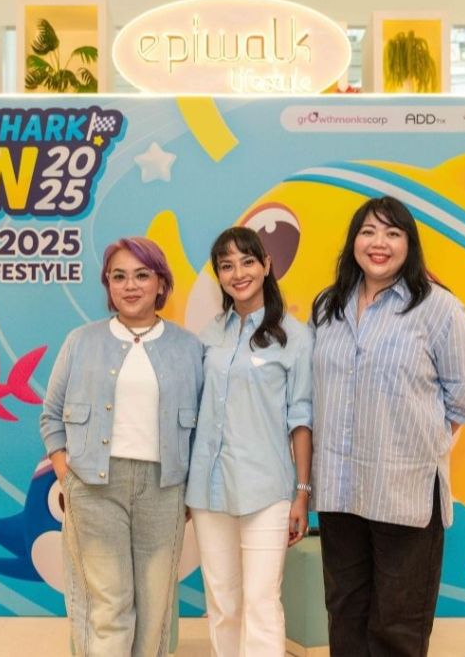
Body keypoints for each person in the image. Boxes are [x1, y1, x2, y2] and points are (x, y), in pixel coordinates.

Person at [310, 196, 465, 657]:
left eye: (392, 233)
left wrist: (420, 448)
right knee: (345, 613)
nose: (379, 242)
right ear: (353, 242)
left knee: (397, 627)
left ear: (410, 244)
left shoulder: (439, 309)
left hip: (404, 494)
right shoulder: (328, 307)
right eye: (368, 231)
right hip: (340, 491)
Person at [40, 236, 204, 657]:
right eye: (119, 276)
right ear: (108, 285)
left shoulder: (189, 347)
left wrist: (191, 491)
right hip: (94, 488)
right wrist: (65, 474)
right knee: (110, 605)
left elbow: (203, 430)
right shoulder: (81, 341)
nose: (130, 286)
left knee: (155, 609)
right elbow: (51, 415)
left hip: (164, 491)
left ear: (161, 283)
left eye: (141, 275)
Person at [186, 227, 313, 657]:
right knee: (223, 604)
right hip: (208, 490)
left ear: (266, 265)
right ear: (218, 276)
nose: (238, 273)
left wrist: (301, 493)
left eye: (247, 262)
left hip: (266, 491)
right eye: (226, 266)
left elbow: (301, 420)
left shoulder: (294, 337)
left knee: (261, 602)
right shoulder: (209, 335)